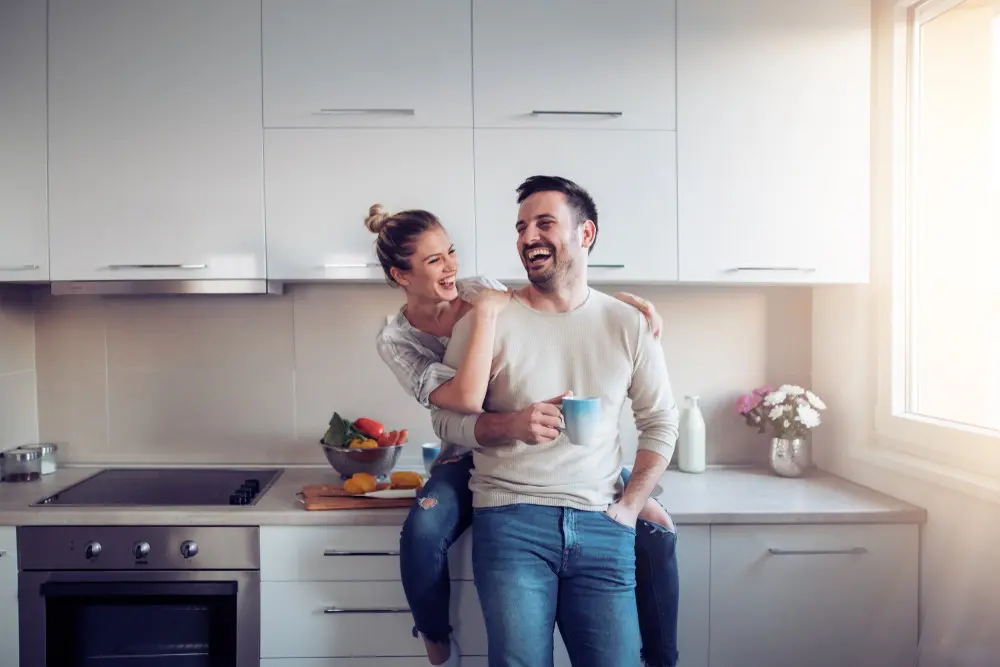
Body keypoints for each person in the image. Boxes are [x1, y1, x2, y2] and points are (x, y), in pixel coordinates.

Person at [369, 204, 679, 667]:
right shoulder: (400, 338)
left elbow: (554, 298)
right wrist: (486, 319)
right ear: (401, 275)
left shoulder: (480, 290)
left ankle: (662, 657)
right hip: (468, 452)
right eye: (434, 260)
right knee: (424, 529)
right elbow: (462, 403)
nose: (451, 266)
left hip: (558, 472)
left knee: (657, 525)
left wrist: (626, 315)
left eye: (450, 252)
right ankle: (434, 635)